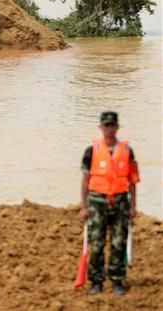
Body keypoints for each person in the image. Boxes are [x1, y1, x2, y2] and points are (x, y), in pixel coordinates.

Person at [79, 111, 139, 296]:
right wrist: (83, 206)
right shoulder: (92, 150)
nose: (109, 129)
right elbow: (85, 180)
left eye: (112, 125)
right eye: (106, 126)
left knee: (118, 242)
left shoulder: (127, 151)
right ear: (101, 128)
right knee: (96, 243)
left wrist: (132, 206)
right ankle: (96, 281)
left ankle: (117, 280)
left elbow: (133, 181)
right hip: (97, 202)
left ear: (117, 127)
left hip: (120, 202)